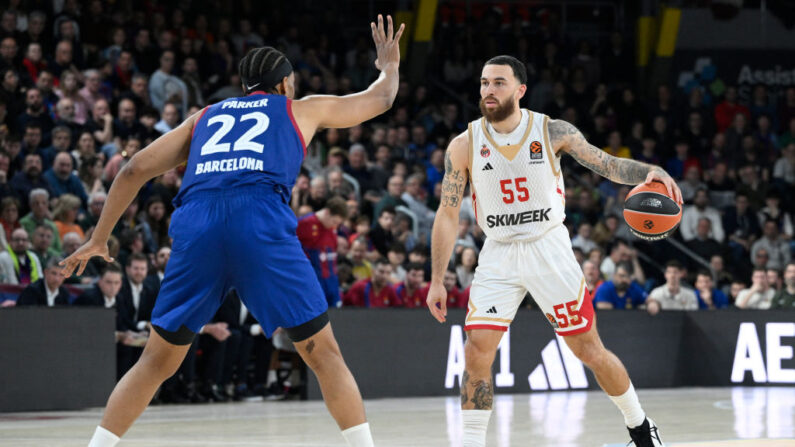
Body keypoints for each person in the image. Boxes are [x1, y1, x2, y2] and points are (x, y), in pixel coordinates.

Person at [61, 16, 404, 447]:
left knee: (156, 360)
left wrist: (98, 237)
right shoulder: (301, 108)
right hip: (258, 220)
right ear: (283, 86)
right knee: (322, 354)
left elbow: (133, 169)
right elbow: (382, 97)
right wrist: (388, 64)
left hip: (198, 223)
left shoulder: (203, 116)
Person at [427, 56, 679, 447]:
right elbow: (446, 213)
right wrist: (437, 278)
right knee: (476, 349)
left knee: (589, 350)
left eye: (498, 83)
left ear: (520, 90)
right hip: (498, 253)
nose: (488, 90)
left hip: (548, 248)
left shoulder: (551, 130)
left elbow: (607, 164)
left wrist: (650, 171)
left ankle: (641, 428)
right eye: (483, 83)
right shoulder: (464, 144)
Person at [296, 197, 348, 307]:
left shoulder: (332, 228)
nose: (335, 226)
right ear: (327, 212)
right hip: (312, 281)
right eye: (334, 222)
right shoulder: (305, 223)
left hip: (331, 281)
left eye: (338, 224)